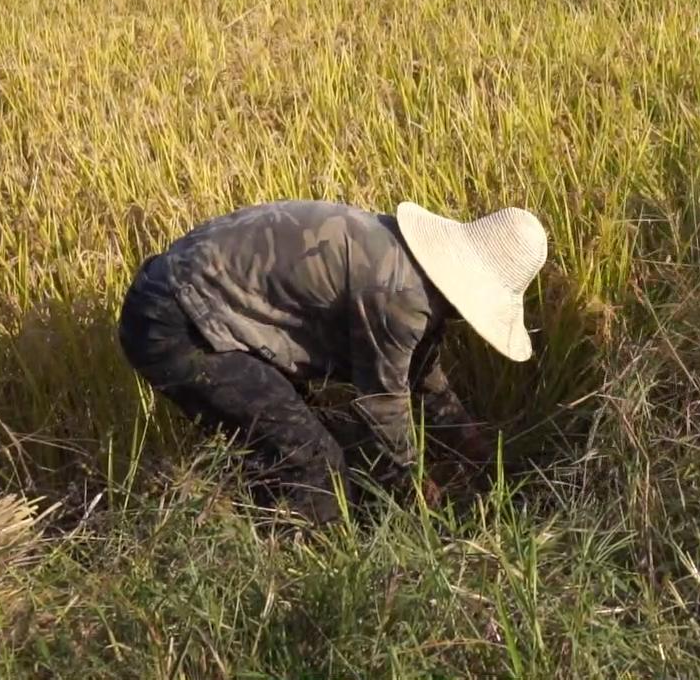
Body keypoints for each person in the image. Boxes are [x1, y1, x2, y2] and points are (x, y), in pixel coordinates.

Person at [117, 199, 548, 525]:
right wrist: (421, 498)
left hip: (194, 304)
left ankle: (263, 525)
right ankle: (302, 581)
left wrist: (478, 449)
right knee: (314, 463)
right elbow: (383, 403)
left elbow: (421, 377)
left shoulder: (405, 264)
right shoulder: (399, 294)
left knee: (300, 439)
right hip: (176, 322)